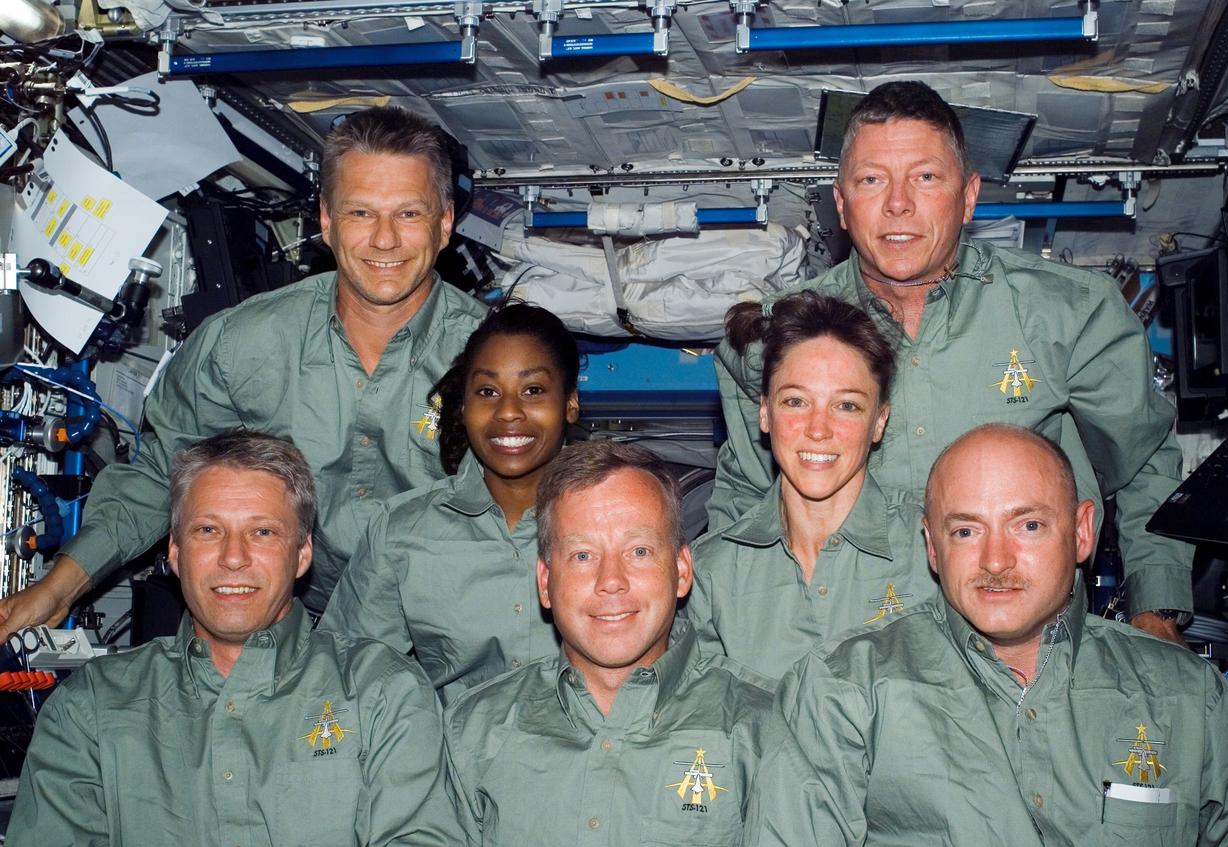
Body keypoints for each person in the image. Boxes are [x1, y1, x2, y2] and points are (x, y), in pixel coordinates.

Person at [709, 80, 1193, 643]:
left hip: (1024, 650)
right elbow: (743, 501)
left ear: (967, 196)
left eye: (926, 177)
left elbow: (1143, 459)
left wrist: (1154, 611)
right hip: (841, 649)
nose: (898, 203)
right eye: (871, 180)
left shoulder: (1067, 312)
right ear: (840, 205)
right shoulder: (777, 337)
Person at [0, 106, 486, 634]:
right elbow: (164, 474)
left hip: (440, 631)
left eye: (409, 214)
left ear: (444, 224)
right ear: (326, 220)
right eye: (361, 213)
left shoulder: (494, 362)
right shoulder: (241, 345)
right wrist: (57, 588)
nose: (385, 240)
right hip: (282, 625)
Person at [745, 424, 1228, 846]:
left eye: (1028, 526)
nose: (996, 561)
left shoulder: (1188, 698)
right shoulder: (843, 693)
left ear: (1082, 532)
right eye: (966, 531)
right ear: (932, 547)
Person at [8, 431, 467, 846]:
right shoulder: (91, 708)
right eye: (208, 530)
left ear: (302, 553)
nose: (233, 557)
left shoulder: (382, 693)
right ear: (174, 550)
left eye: (262, 532)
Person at [444, 440, 775, 845]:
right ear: (546, 582)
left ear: (682, 570)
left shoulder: (762, 728)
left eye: (638, 551)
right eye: (583, 556)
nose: (611, 580)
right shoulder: (473, 731)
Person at [321, 303, 580, 703]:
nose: (508, 411)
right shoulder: (402, 533)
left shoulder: (619, 521)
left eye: (533, 390)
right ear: (463, 407)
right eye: (487, 392)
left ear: (570, 404)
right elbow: (343, 679)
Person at [687, 290, 934, 679]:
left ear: (880, 421)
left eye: (846, 405)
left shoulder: (933, 551)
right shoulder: (711, 572)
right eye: (796, 402)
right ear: (765, 413)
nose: (818, 430)